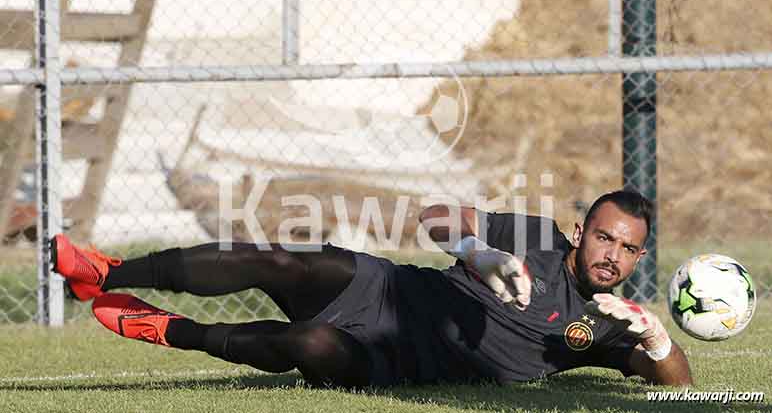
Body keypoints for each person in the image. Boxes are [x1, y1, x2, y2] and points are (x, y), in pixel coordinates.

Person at [51, 189, 692, 387]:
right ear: (581, 232)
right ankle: (105, 273)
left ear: (639, 256)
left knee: (310, 344)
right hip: (386, 290)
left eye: (628, 248)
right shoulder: (536, 237)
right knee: (277, 259)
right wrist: (479, 251)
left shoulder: (612, 321)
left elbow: (681, 387)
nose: (612, 256)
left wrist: (658, 339)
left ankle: (172, 330)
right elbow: (436, 215)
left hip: (398, 360)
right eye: (604, 237)